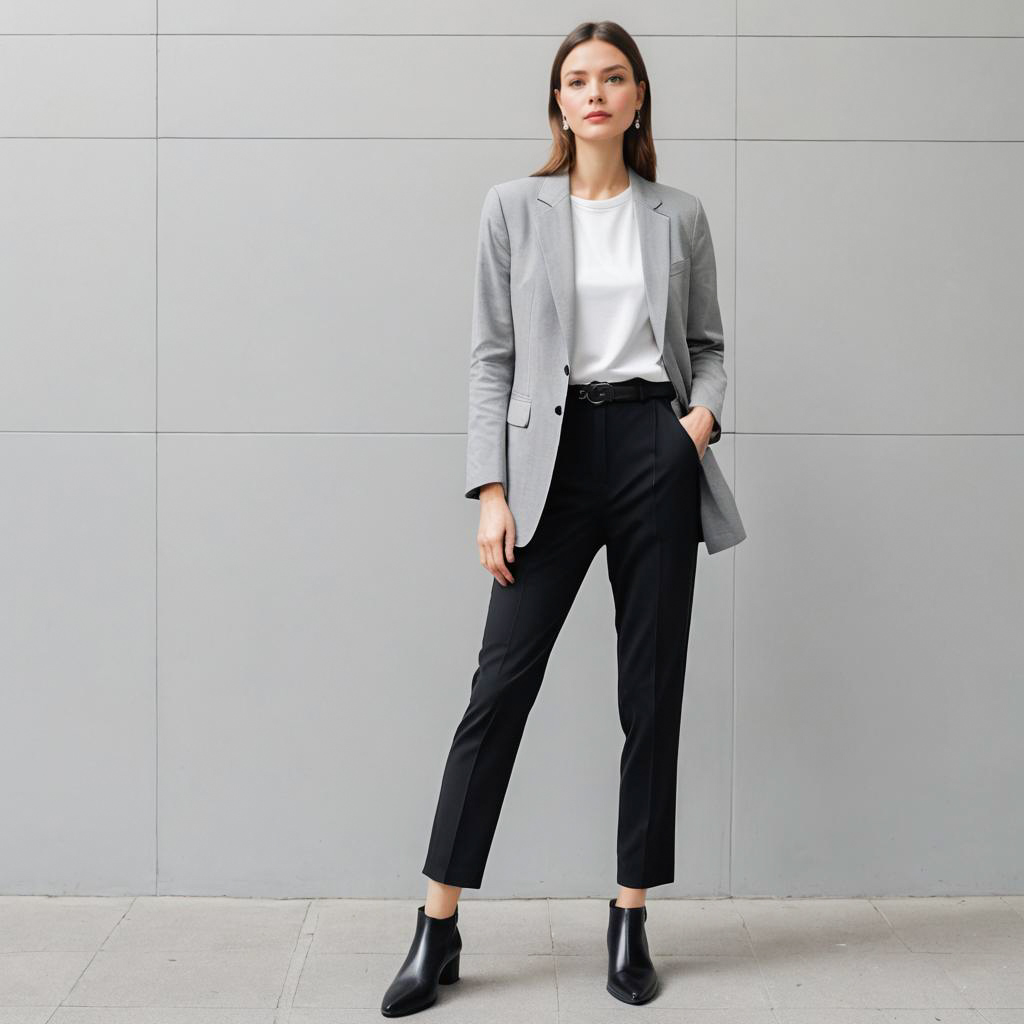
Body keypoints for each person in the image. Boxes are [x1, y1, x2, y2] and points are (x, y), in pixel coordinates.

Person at [381, 19, 746, 1018]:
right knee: (497, 691)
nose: (594, 93)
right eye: (577, 79)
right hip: (548, 462)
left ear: (636, 100)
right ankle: (437, 926)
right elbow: (489, 357)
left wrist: (698, 422)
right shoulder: (514, 208)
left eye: (612, 77)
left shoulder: (680, 214)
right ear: (558, 102)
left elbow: (706, 343)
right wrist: (489, 490)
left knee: (651, 691)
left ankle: (629, 917)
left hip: (652, 452)